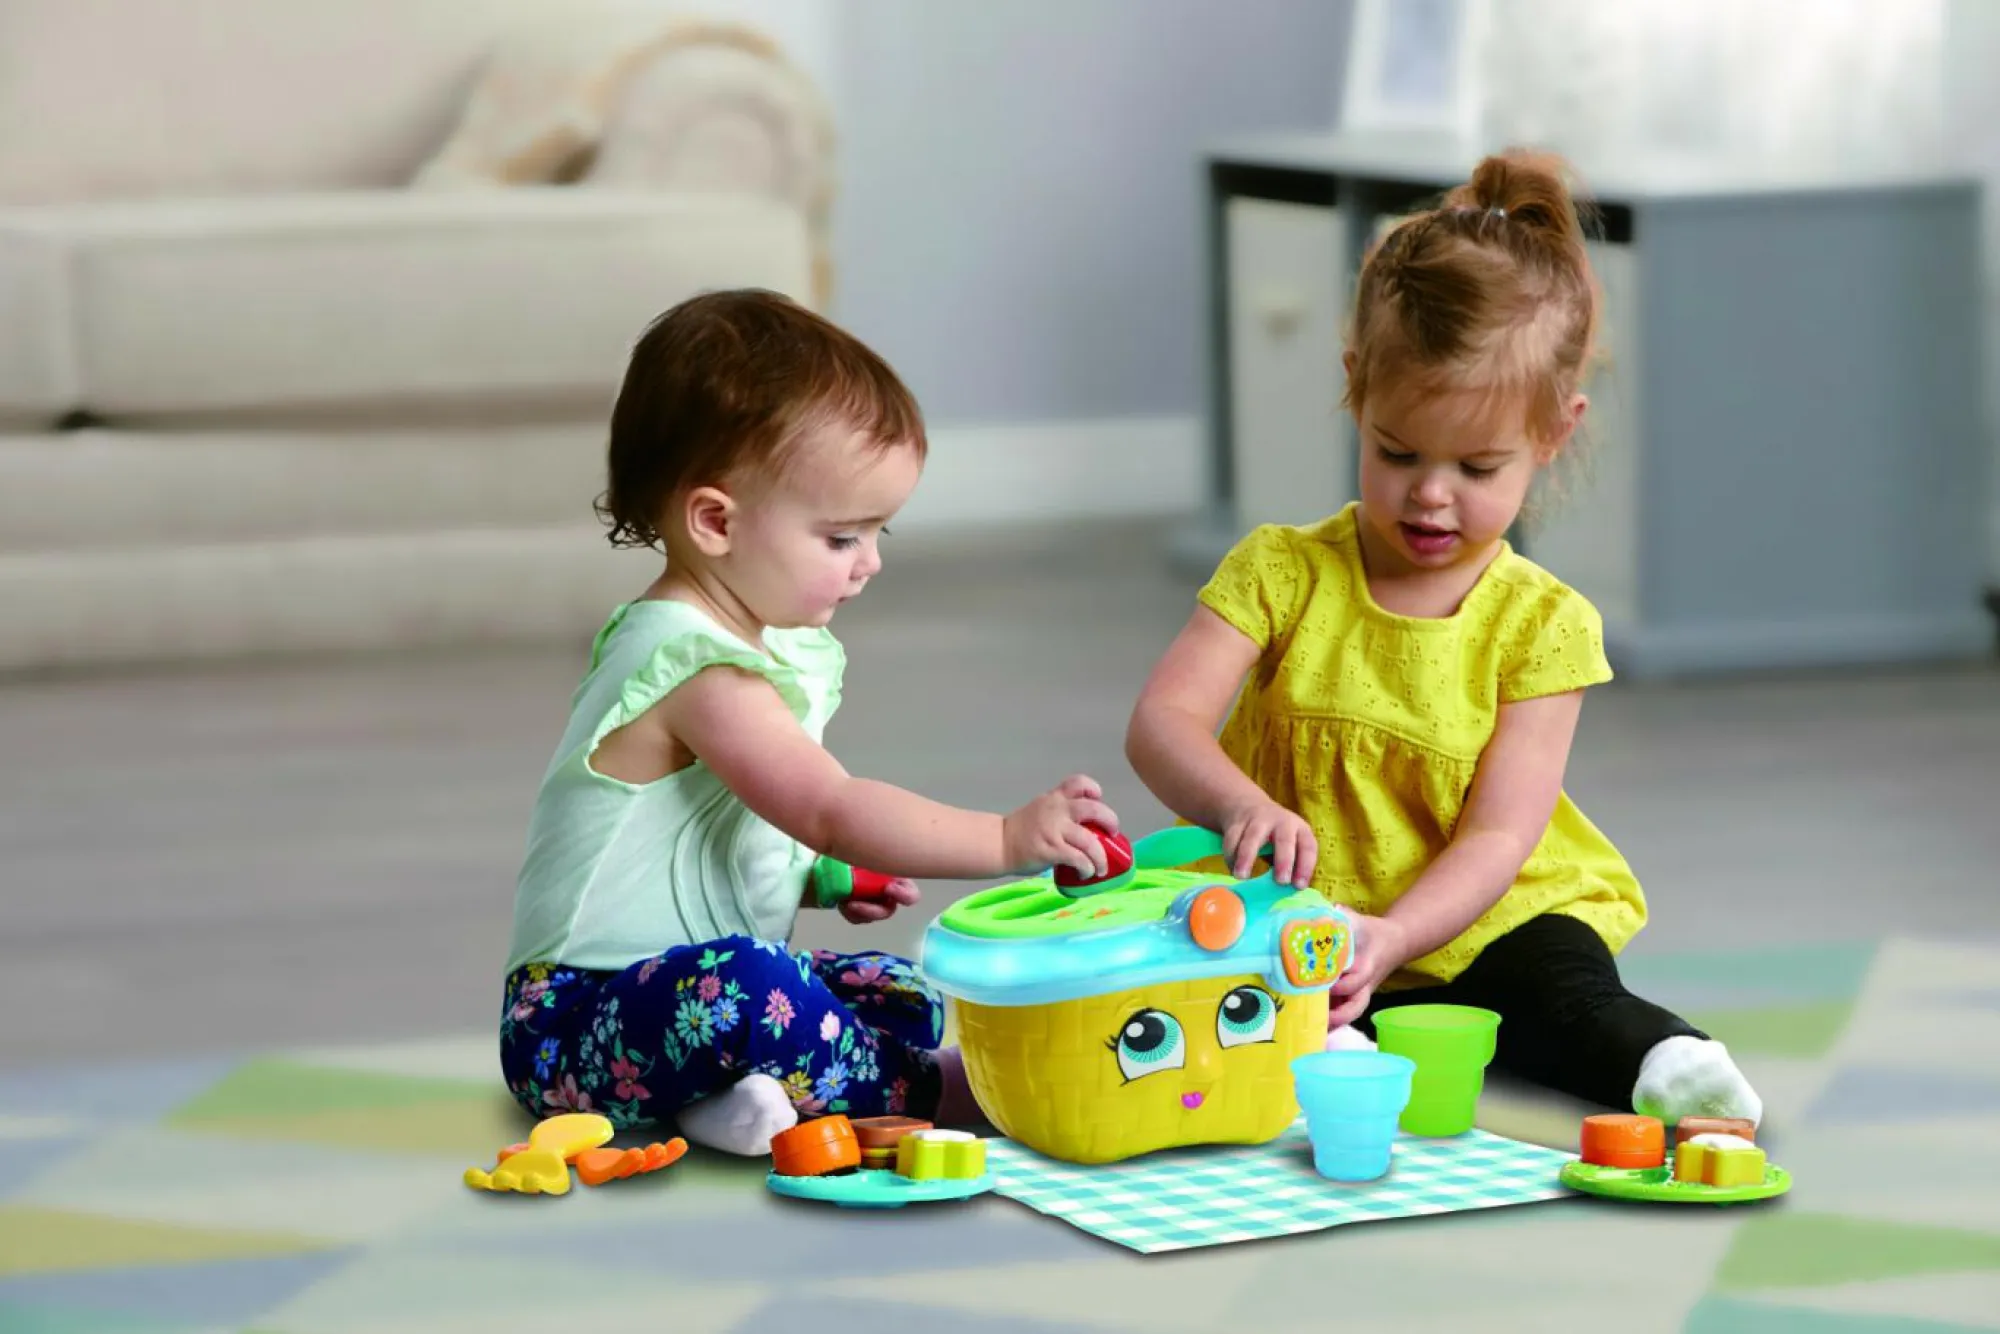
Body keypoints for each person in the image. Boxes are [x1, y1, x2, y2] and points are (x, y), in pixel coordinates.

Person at [1124, 151, 1760, 1128]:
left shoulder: (1541, 626)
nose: (1429, 493)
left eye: (1476, 466)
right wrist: (1238, 803)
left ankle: (1665, 1061)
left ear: (1552, 434)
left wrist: (1396, 933)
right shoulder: (1281, 571)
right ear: (1356, 390)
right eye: (1397, 452)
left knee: (1559, 985)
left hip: (1481, 911)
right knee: (1220, 998)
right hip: (1299, 916)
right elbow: (1162, 721)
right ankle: (1339, 1044)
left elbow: (1501, 835)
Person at [499, 289, 1120, 1155]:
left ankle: (726, 1104)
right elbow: (827, 806)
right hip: (573, 1024)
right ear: (716, 522)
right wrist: (1006, 838)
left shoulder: (736, 640)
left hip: (670, 1003)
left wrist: (820, 877)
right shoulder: (694, 665)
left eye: (878, 534)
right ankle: (929, 1089)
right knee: (751, 990)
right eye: (841, 538)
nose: (869, 564)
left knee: (900, 990)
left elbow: (703, 834)